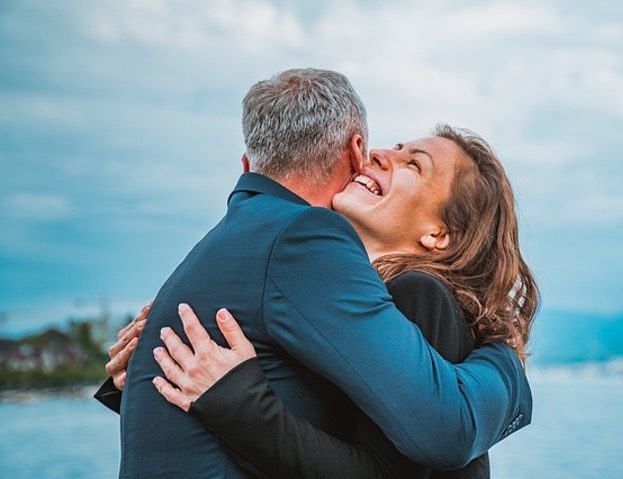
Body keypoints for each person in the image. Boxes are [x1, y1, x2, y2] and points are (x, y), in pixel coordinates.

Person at [95, 68, 533, 478]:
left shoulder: (418, 295)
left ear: (441, 233)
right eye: (393, 147)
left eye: (414, 164)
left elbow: (424, 445)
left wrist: (506, 363)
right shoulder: (325, 285)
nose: (380, 156)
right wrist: (149, 372)